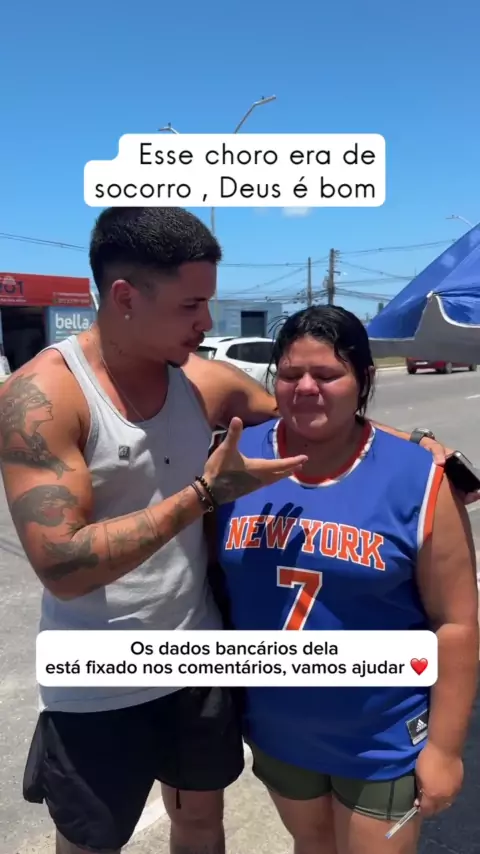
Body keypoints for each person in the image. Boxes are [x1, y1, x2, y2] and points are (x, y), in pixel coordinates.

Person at [0, 206, 467, 854]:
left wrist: (415, 447)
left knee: (199, 823)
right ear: (126, 298)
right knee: (90, 841)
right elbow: (63, 566)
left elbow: (319, 413)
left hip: (202, 664)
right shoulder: (42, 398)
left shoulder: (202, 381)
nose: (206, 321)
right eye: (192, 305)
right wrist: (202, 496)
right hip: (100, 678)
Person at [213, 305, 479, 854]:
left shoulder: (419, 477)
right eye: (291, 374)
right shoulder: (234, 462)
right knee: (311, 846)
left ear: (364, 379)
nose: (306, 387)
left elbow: (456, 623)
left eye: (327, 374)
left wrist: (445, 749)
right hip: (278, 729)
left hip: (381, 734)